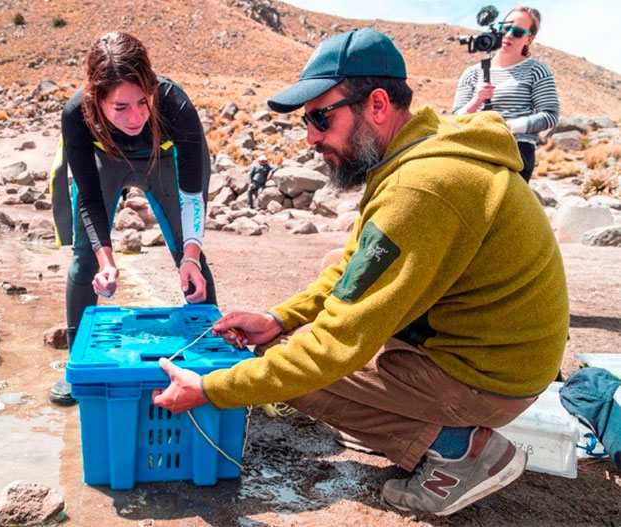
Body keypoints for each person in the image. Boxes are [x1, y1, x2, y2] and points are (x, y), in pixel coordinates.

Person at [152, 28, 568, 516]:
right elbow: (352, 265)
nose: (310, 136)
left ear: (375, 105)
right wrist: (280, 317)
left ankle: (462, 450)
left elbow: (333, 346)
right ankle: (425, 423)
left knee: (293, 366)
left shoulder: (421, 189)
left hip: (490, 376)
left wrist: (211, 389)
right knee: (318, 290)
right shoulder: (417, 152)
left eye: (321, 118)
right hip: (486, 345)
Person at [48, 31, 216, 403]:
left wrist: (190, 255)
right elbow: (89, 198)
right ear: (97, 100)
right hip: (105, 161)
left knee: (192, 260)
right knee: (85, 258)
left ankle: (206, 362)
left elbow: (192, 192)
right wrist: (105, 264)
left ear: (152, 87)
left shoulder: (174, 104)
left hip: (164, 159)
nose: (136, 116)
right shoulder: (76, 113)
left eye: (143, 102)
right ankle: (77, 365)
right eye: (120, 108)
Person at [452, 6, 559, 182]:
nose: (508, 35)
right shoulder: (472, 73)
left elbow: (549, 116)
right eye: (504, 28)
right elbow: (455, 119)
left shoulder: (536, 70)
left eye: (517, 32)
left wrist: (507, 127)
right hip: (474, 146)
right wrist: (477, 100)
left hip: (516, 149)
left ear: (529, 39)